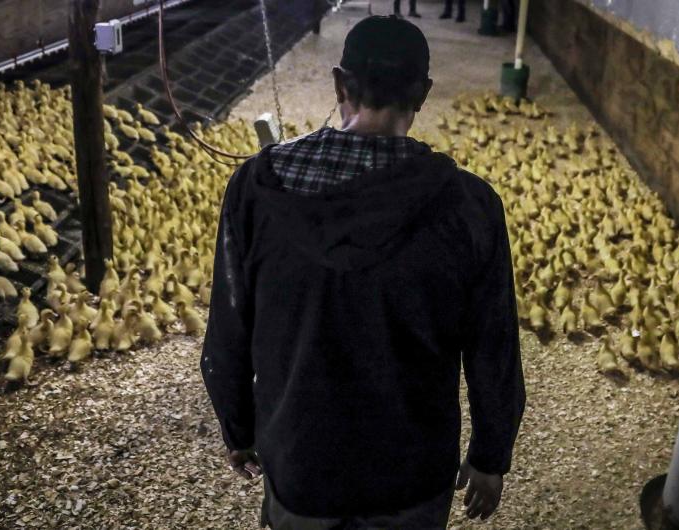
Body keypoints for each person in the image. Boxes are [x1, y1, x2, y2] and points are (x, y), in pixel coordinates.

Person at [201, 15, 525, 530]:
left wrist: (237, 426)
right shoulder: (469, 206)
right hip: (410, 475)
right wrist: (491, 453)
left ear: (338, 84)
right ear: (423, 94)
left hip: (301, 465)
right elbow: (494, 346)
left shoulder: (256, 190)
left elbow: (229, 327)